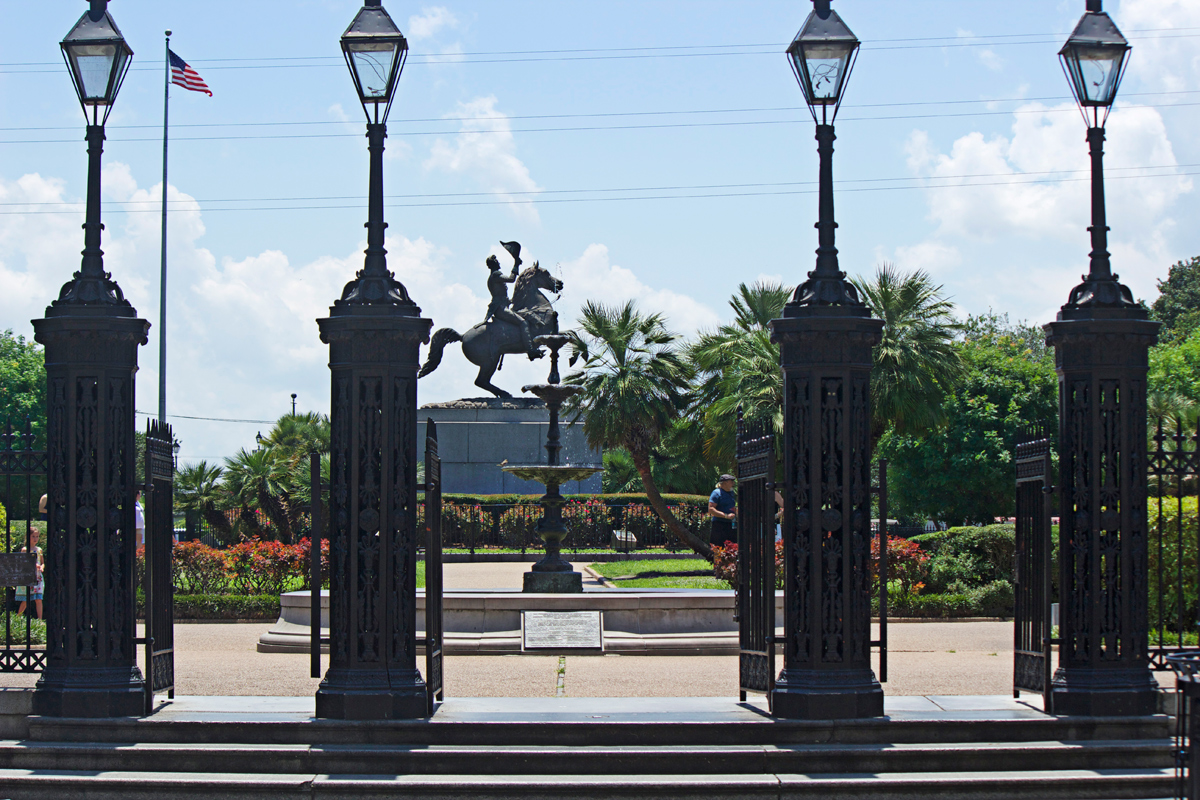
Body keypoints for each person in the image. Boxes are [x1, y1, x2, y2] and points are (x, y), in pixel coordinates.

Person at [485, 252, 539, 360]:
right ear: (494, 264)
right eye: (497, 261)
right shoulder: (496, 275)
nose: (499, 262)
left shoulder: (493, 276)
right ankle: (530, 350)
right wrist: (516, 264)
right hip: (500, 309)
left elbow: (500, 295)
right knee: (523, 322)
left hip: (502, 306)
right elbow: (511, 279)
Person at [15, 528, 43, 620]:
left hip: (38, 576)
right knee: (26, 599)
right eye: (33, 536)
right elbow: (23, 562)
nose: (35, 538)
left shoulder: (39, 550)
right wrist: (33, 565)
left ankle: (40, 619)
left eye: (37, 536)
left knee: (38, 599)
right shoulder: (25, 549)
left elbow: (42, 562)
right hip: (29, 576)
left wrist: (42, 567)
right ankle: (18, 618)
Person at [709, 474, 737, 546]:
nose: (733, 483)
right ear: (725, 483)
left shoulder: (731, 493)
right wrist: (726, 516)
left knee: (732, 545)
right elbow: (711, 509)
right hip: (719, 525)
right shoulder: (716, 493)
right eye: (731, 481)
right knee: (718, 546)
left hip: (730, 524)